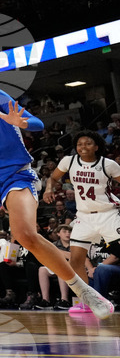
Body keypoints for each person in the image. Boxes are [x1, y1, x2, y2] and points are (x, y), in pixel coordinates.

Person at [0, 60, 113, 321]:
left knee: (25, 234)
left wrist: (20, 122)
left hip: (15, 174)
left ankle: (86, 292)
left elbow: (37, 124)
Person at [43, 130, 120, 314]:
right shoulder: (68, 161)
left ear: (96, 146)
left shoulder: (107, 164)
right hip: (84, 217)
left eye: (87, 143)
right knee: (76, 260)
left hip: (108, 214)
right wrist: (48, 189)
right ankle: (88, 301)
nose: (82, 147)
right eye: (79, 144)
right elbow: (53, 177)